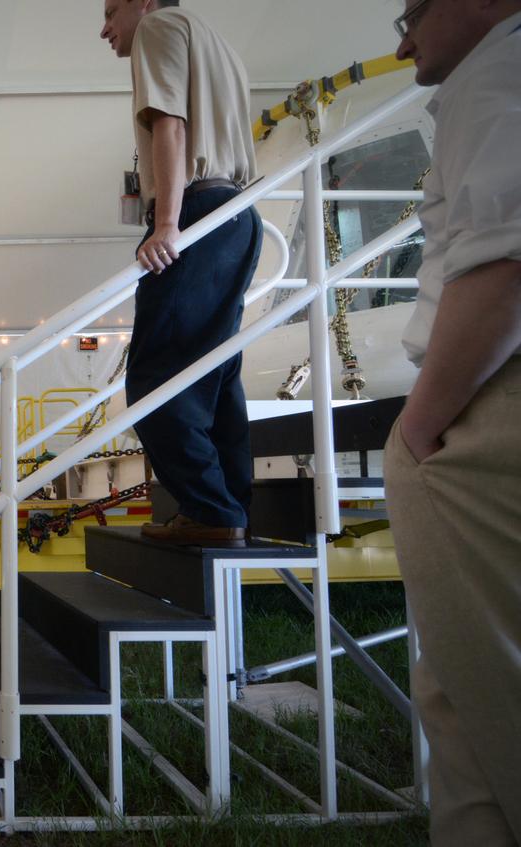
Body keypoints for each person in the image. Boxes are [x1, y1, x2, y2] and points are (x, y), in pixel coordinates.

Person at [385, 1, 521, 843]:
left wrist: (419, 427)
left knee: (486, 690)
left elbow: (502, 261)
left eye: (411, 13)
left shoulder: (492, 75)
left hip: (479, 412)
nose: (402, 42)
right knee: (460, 699)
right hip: (476, 406)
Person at [100, 0, 262, 546]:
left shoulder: (157, 27)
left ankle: (211, 510)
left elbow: (171, 121)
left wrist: (165, 221)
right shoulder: (222, 46)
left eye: (111, 11)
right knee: (215, 374)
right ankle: (228, 507)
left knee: (153, 379)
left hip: (194, 213)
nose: (107, 28)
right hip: (237, 210)